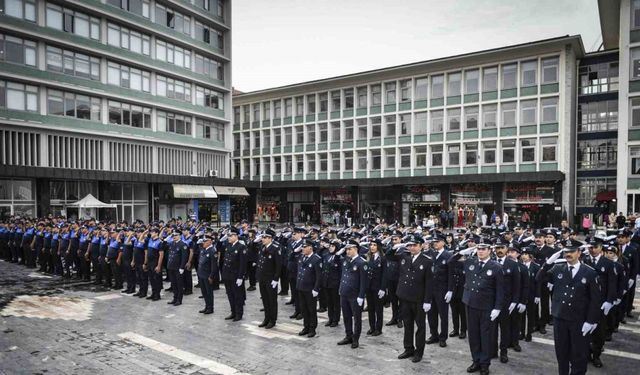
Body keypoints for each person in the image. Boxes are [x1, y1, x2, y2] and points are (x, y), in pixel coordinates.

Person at [536, 241, 600, 375]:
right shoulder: (558, 268)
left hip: (579, 320)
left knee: (579, 355)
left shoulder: (589, 272)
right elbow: (539, 278)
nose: (568, 254)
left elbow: (595, 300)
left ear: (579, 253)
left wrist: (591, 321)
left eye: (571, 251)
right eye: (565, 252)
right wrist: (548, 263)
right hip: (560, 318)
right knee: (562, 353)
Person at [452, 241, 504, 375]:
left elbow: (500, 290)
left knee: (485, 336)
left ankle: (485, 363)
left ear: (489, 251)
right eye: (479, 249)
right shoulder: (470, 262)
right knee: (473, 335)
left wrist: (497, 308)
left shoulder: (496, 267)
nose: (480, 251)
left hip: (487, 306)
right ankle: (476, 360)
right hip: (470, 303)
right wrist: (464, 251)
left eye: (483, 249)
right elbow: (450, 262)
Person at [396, 235, 434, 363]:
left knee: (420, 327)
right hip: (405, 297)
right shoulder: (404, 257)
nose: (412, 248)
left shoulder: (427, 261)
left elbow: (429, 282)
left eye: (415, 245)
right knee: (407, 325)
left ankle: (419, 352)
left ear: (421, 246)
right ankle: (408, 349)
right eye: (410, 245)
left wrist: (427, 301)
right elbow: (389, 255)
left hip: (418, 298)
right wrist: (399, 245)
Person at [583, 238, 617, 368]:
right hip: (585, 302)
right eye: (590, 247)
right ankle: (586, 354)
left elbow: (612, 284)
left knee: (599, 332)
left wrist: (609, 301)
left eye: (595, 247)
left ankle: (596, 355)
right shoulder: (584, 261)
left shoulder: (607, 263)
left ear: (601, 247)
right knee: (585, 331)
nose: (592, 249)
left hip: (601, 303)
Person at [493, 238, 521, 364]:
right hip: (491, 302)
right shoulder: (491, 263)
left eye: (502, 248)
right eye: (497, 248)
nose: (499, 250)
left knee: (505, 329)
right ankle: (492, 351)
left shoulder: (513, 264)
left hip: (506, 302)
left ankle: (503, 352)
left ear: (506, 249)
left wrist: (515, 301)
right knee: (491, 328)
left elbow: (517, 285)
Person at [337, 243, 368, 349]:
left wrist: (361, 296)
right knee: (346, 316)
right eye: (346, 250)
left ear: (355, 249)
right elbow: (343, 275)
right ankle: (348, 335)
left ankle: (356, 339)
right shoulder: (346, 260)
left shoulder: (361, 262)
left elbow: (364, 282)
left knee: (357, 318)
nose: (347, 251)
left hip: (355, 295)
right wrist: (341, 289)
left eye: (349, 249)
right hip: (344, 293)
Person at [427, 234, 452, 348]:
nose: (435, 243)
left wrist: (450, 290)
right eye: (434, 242)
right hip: (431, 289)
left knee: (443, 316)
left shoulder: (448, 255)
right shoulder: (430, 253)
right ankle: (434, 335)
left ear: (443, 242)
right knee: (431, 314)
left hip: (442, 289)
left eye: (437, 241)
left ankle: (443, 337)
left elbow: (451, 274)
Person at [256, 228, 282, 329]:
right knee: (265, 300)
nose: (263, 239)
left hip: (270, 279)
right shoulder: (262, 247)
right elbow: (260, 262)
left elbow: (278, 266)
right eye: (262, 237)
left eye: (265, 237)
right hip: (262, 278)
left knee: (272, 300)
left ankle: (272, 320)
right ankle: (266, 318)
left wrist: (276, 279)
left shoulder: (275, 249)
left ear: (270, 238)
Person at [296, 239, 322, 337]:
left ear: (310, 248)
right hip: (301, 287)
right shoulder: (302, 257)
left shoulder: (316, 259)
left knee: (311, 310)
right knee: (304, 309)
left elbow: (319, 276)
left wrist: (316, 289)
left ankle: (312, 328)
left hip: (310, 289)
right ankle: (306, 327)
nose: (303, 249)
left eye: (305, 247)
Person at [221, 226, 248, 321]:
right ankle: (233, 312)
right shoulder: (228, 245)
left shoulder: (241, 247)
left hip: (236, 276)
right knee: (230, 295)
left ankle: (239, 314)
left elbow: (243, 264)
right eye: (228, 235)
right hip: (227, 275)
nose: (228, 237)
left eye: (230, 235)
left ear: (236, 236)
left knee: (238, 296)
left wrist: (241, 277)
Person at [365, 239, 387, 337]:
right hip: (369, 287)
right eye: (371, 245)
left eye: (374, 245)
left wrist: (383, 288)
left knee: (378, 309)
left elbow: (385, 274)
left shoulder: (382, 258)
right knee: (371, 309)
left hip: (378, 287)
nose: (372, 247)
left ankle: (378, 328)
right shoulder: (369, 257)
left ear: (378, 246)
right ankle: (372, 327)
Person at [321, 239, 343, 327]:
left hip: (335, 284)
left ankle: (335, 320)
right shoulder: (326, 256)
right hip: (327, 283)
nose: (330, 248)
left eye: (333, 246)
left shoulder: (339, 258)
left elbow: (341, 272)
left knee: (336, 303)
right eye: (330, 246)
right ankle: (330, 318)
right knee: (329, 302)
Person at [166, 230, 189, 306]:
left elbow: (184, 257)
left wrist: (182, 267)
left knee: (179, 284)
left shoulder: (183, 245)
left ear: (180, 236)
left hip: (178, 268)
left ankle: (179, 300)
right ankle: (175, 298)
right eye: (173, 235)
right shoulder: (172, 243)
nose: (174, 237)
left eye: (176, 235)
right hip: (171, 267)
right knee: (174, 284)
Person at [197, 234, 217, 314]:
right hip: (201, 274)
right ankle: (206, 306)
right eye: (203, 241)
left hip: (207, 275)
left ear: (210, 242)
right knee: (204, 292)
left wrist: (211, 276)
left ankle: (210, 308)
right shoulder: (203, 249)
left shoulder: (212, 251)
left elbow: (214, 266)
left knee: (209, 292)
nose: (203, 243)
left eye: (205, 241)